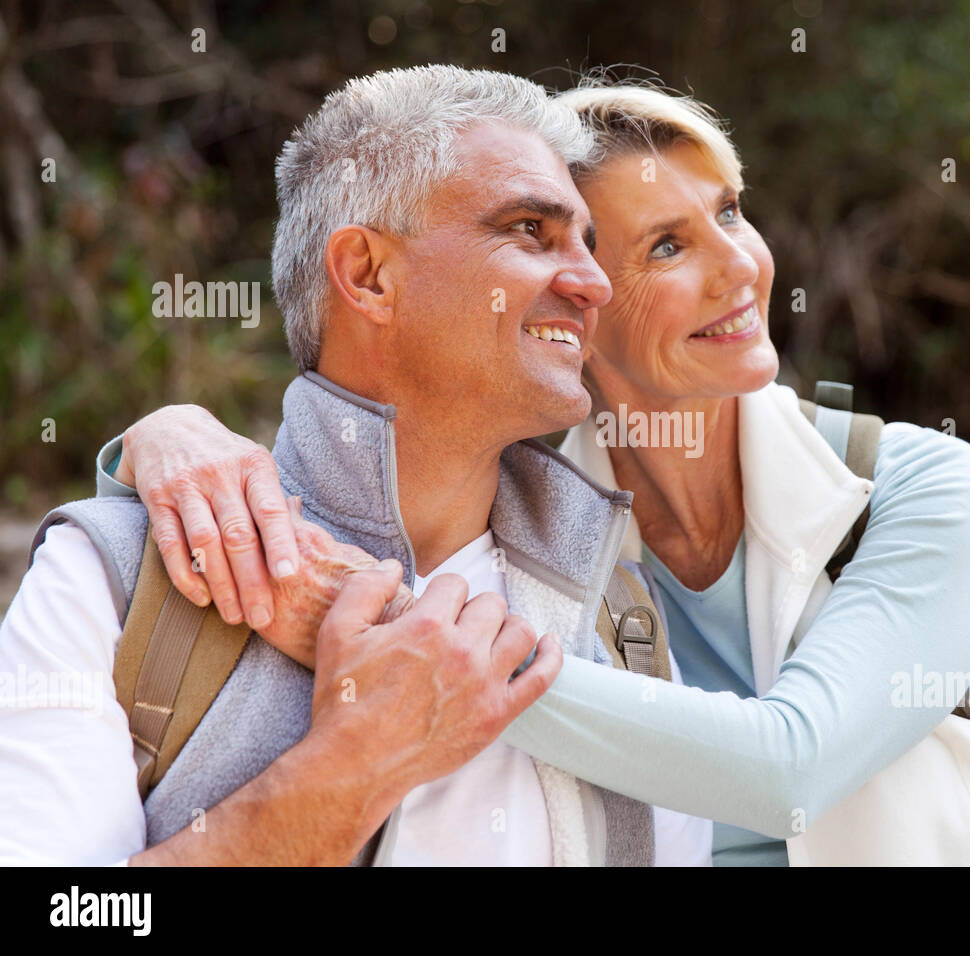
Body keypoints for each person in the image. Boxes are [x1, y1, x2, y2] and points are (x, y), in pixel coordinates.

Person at [90, 80, 970, 865]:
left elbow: (789, 765)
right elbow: (352, 457)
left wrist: (380, 630)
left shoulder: (916, 484)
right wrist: (161, 435)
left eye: (728, 212)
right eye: (669, 246)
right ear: (576, 309)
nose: (741, 267)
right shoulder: (541, 520)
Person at [0, 65, 713, 866]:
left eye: (585, 243)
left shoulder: (621, 612)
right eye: (528, 231)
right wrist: (355, 765)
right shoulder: (115, 579)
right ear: (370, 276)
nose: (592, 282)